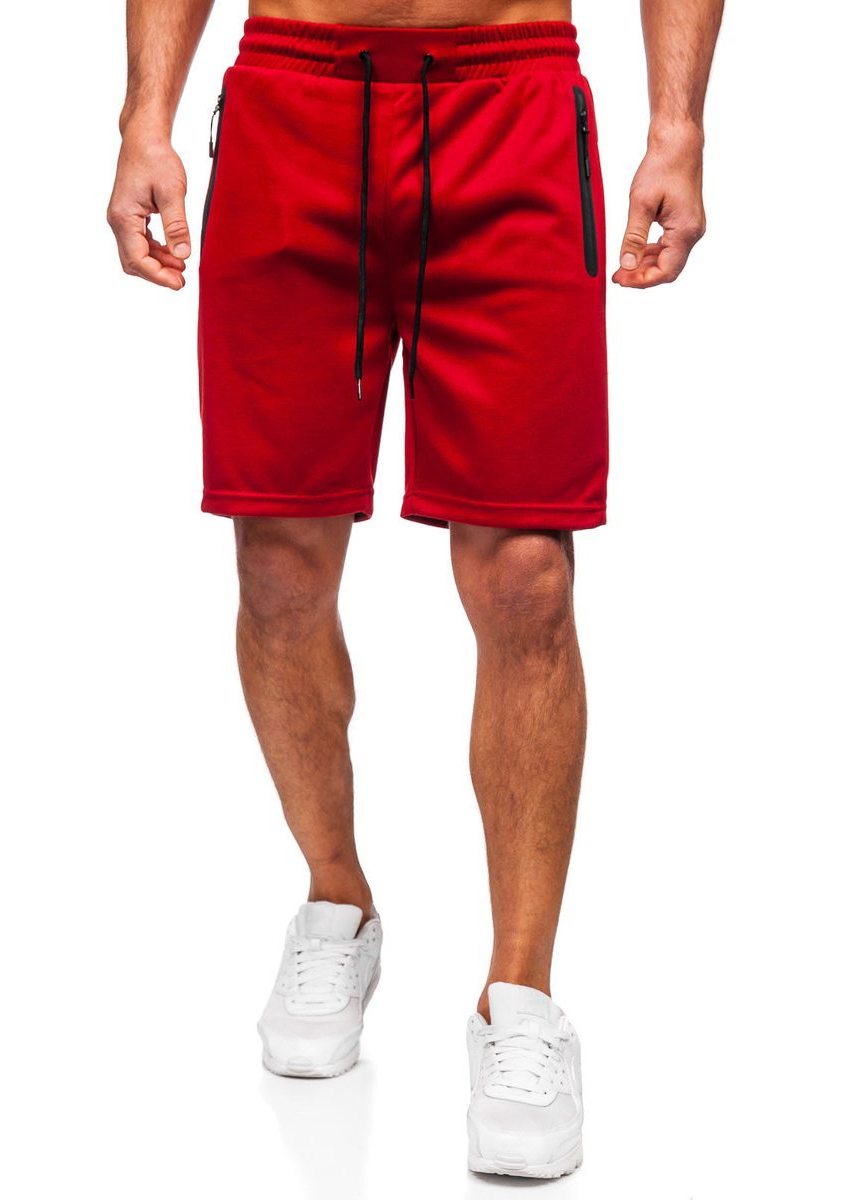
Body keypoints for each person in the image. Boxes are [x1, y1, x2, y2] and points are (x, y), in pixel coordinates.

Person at [108, 0, 722, 1178]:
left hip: (513, 100)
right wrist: (146, 116)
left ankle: (520, 997)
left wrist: (678, 125)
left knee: (528, 573)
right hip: (293, 99)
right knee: (278, 561)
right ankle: (336, 899)